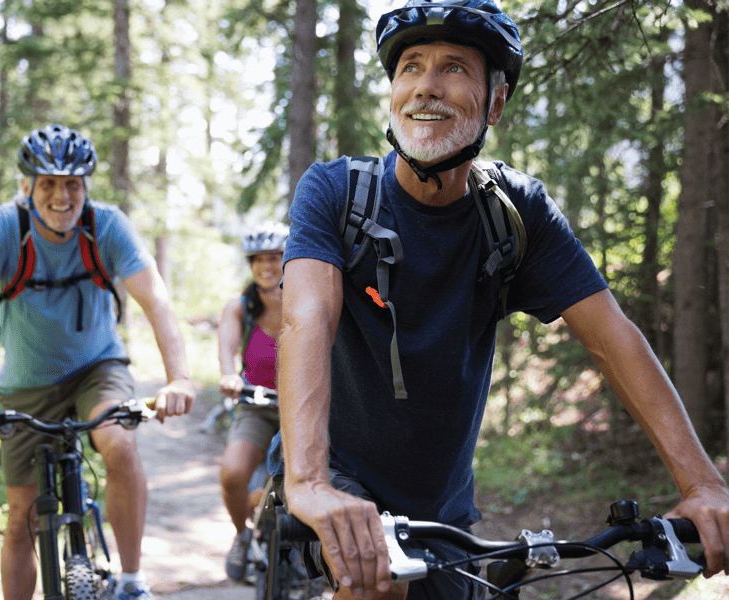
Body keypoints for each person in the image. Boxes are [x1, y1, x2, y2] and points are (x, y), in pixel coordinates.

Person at [275, 2, 729, 599]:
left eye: (454, 68)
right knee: (377, 583)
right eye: (410, 67)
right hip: (333, 474)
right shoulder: (336, 192)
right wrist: (309, 481)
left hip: (444, 511)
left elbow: (610, 335)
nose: (425, 88)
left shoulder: (515, 214)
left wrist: (702, 483)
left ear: (495, 103)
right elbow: (306, 316)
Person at [0, 124, 196, 600]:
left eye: (72, 183)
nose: (61, 195)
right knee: (21, 519)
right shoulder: (2, 227)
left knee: (118, 442)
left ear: (86, 187)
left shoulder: (107, 225)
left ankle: (132, 581)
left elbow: (157, 301)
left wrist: (180, 379)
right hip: (25, 382)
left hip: (97, 368)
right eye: (47, 182)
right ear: (26, 186)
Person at [217, 222, 287, 580]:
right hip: (255, 403)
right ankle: (243, 535)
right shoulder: (241, 306)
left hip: (302, 406)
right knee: (232, 473)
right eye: (258, 260)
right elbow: (228, 346)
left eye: (274, 258)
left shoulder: (304, 298)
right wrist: (229, 373)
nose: (267, 267)